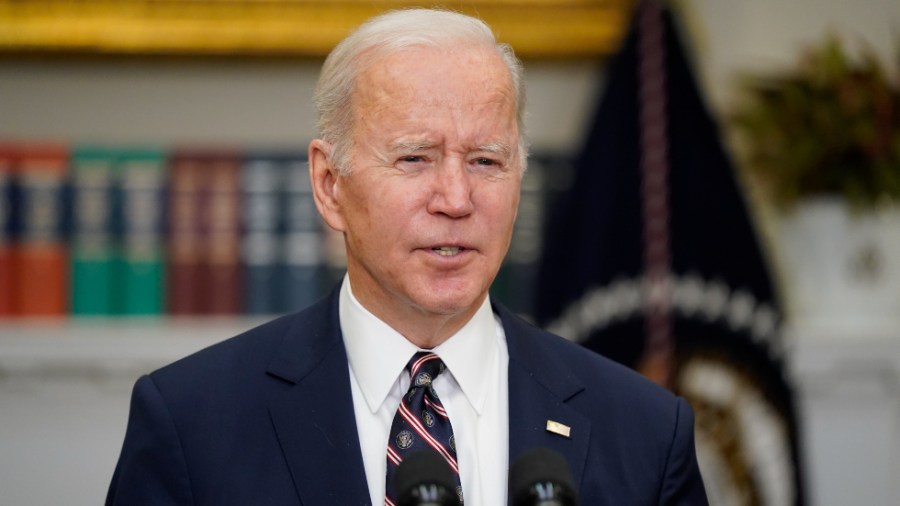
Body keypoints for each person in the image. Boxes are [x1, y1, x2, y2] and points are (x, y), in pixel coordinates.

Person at [106, 8, 708, 506]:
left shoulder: (646, 432)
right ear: (329, 184)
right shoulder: (192, 423)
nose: (456, 199)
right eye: (415, 158)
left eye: (486, 161)